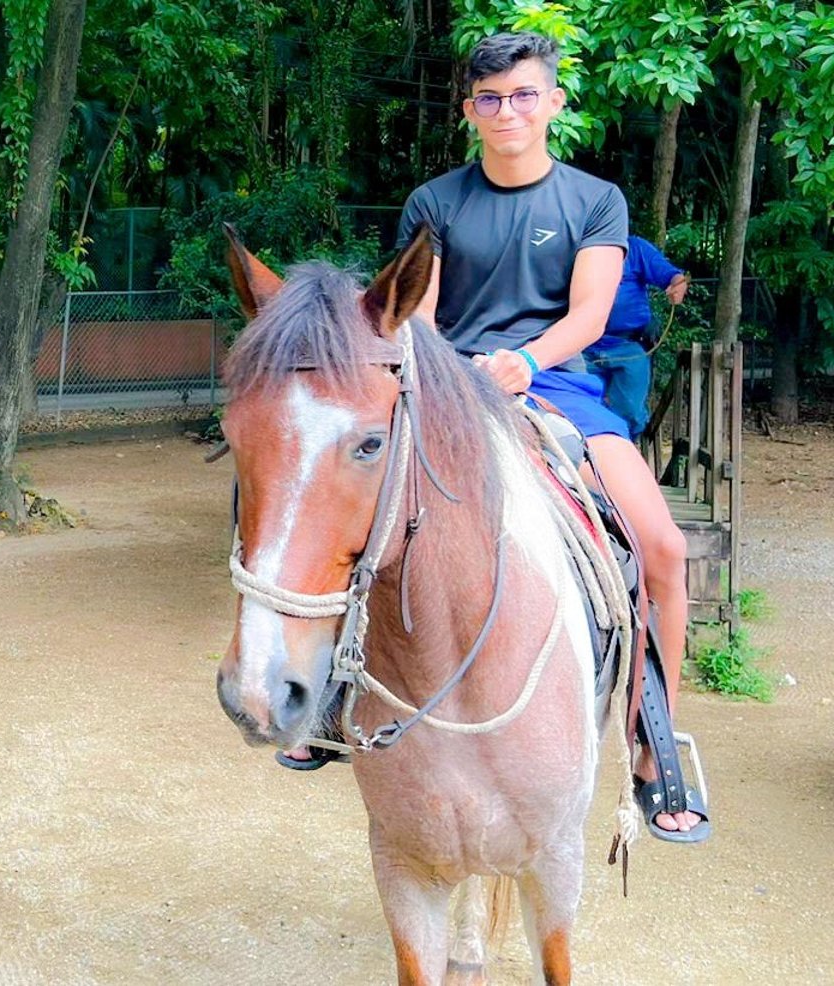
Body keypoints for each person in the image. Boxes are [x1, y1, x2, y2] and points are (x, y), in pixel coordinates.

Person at [281, 31, 706, 844]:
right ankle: (334, 699)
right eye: (489, 99)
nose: (505, 111)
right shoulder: (435, 202)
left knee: (661, 548)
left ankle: (655, 741)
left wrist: (523, 361)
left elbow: (588, 315)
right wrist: (461, 372)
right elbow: (423, 317)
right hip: (446, 389)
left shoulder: (595, 201)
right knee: (362, 516)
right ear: (469, 110)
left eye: (521, 95)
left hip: (562, 393)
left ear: (552, 102)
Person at [584, 234, 689, 440]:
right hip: (583, 345)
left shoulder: (635, 248)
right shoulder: (579, 246)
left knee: (630, 411)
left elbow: (671, 275)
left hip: (629, 344)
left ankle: (625, 456)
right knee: (581, 406)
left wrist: (678, 284)